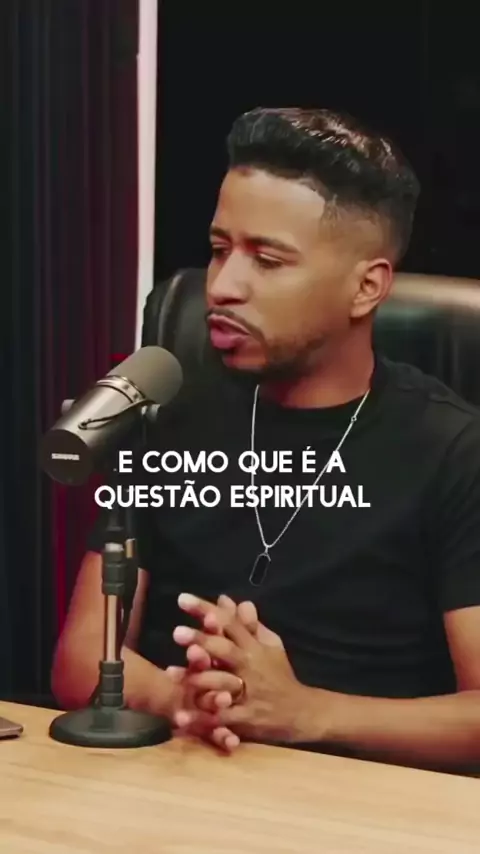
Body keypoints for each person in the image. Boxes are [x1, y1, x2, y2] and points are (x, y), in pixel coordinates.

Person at [51, 106, 480, 772]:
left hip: (354, 802)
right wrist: (184, 700)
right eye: (219, 250)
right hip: (168, 776)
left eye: (267, 260)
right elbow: (82, 658)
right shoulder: (168, 416)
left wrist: (304, 712)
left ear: (366, 287)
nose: (222, 287)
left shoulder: (451, 451)